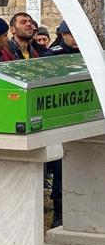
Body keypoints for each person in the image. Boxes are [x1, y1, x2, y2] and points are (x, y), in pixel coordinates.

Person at [42, 20, 78, 229]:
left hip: (80, 117)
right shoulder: (53, 55)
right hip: (60, 120)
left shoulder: (88, 53)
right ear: (62, 34)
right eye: (69, 34)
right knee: (60, 167)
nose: (74, 38)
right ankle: (59, 213)